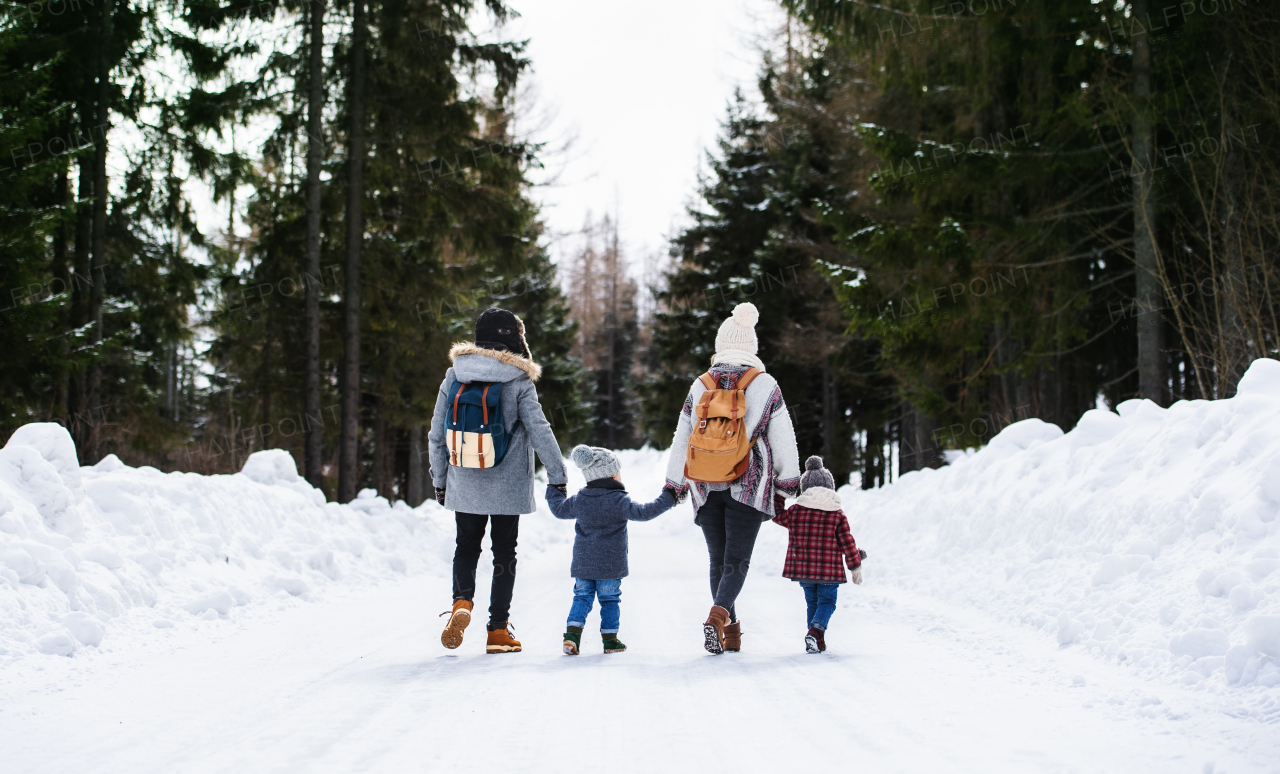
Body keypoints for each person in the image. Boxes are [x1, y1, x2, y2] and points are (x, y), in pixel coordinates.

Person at [663, 302, 801, 654]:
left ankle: (730, 633)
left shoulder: (700, 384)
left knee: (717, 560)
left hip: (705, 485)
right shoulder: (765, 384)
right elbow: (784, 437)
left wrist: (674, 483)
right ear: (751, 347)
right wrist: (788, 482)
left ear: (720, 345)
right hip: (748, 486)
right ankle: (718, 618)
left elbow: (682, 436)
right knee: (737, 560)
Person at [428, 308, 568, 654]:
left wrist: (440, 480)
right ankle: (498, 630)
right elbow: (540, 431)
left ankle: (462, 602)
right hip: (507, 485)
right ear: (512, 338)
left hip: (465, 480)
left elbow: (435, 434)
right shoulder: (518, 380)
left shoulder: (454, 375)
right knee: (504, 552)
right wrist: (558, 476)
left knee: (466, 547)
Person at [545, 445, 677, 655]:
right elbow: (644, 512)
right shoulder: (618, 500)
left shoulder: (581, 499)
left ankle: (571, 637)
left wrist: (553, 490)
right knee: (609, 600)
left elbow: (559, 509)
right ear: (611, 475)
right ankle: (610, 641)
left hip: (584, 564)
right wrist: (669, 498)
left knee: (581, 598)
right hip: (610, 565)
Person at [772, 455, 865, 654]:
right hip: (829, 573)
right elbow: (847, 543)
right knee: (827, 602)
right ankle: (815, 632)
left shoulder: (796, 511)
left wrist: (779, 493)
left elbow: (777, 515)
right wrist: (855, 565)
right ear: (830, 487)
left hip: (804, 571)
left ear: (805, 489)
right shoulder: (837, 514)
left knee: (812, 602)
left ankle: (815, 639)